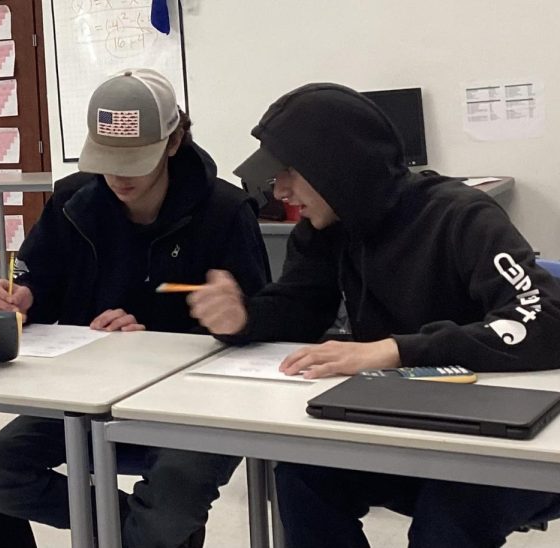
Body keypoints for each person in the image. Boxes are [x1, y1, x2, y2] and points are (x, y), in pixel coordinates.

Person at [188, 82, 560, 548]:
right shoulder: (328, 228)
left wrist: (394, 351)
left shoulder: (460, 216)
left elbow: (545, 321)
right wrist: (241, 319)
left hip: (498, 445)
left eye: (289, 173)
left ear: (337, 168)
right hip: (399, 427)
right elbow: (299, 307)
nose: (278, 189)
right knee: (301, 478)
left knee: (445, 524)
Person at [0, 69, 271, 548]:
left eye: (135, 160)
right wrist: (24, 297)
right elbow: (32, 275)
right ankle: (136, 526)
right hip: (89, 392)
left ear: (174, 143)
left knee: (171, 500)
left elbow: (259, 330)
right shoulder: (74, 201)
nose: (118, 176)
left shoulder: (225, 213)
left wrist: (166, 336)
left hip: (190, 405)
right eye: (106, 159)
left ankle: (151, 530)